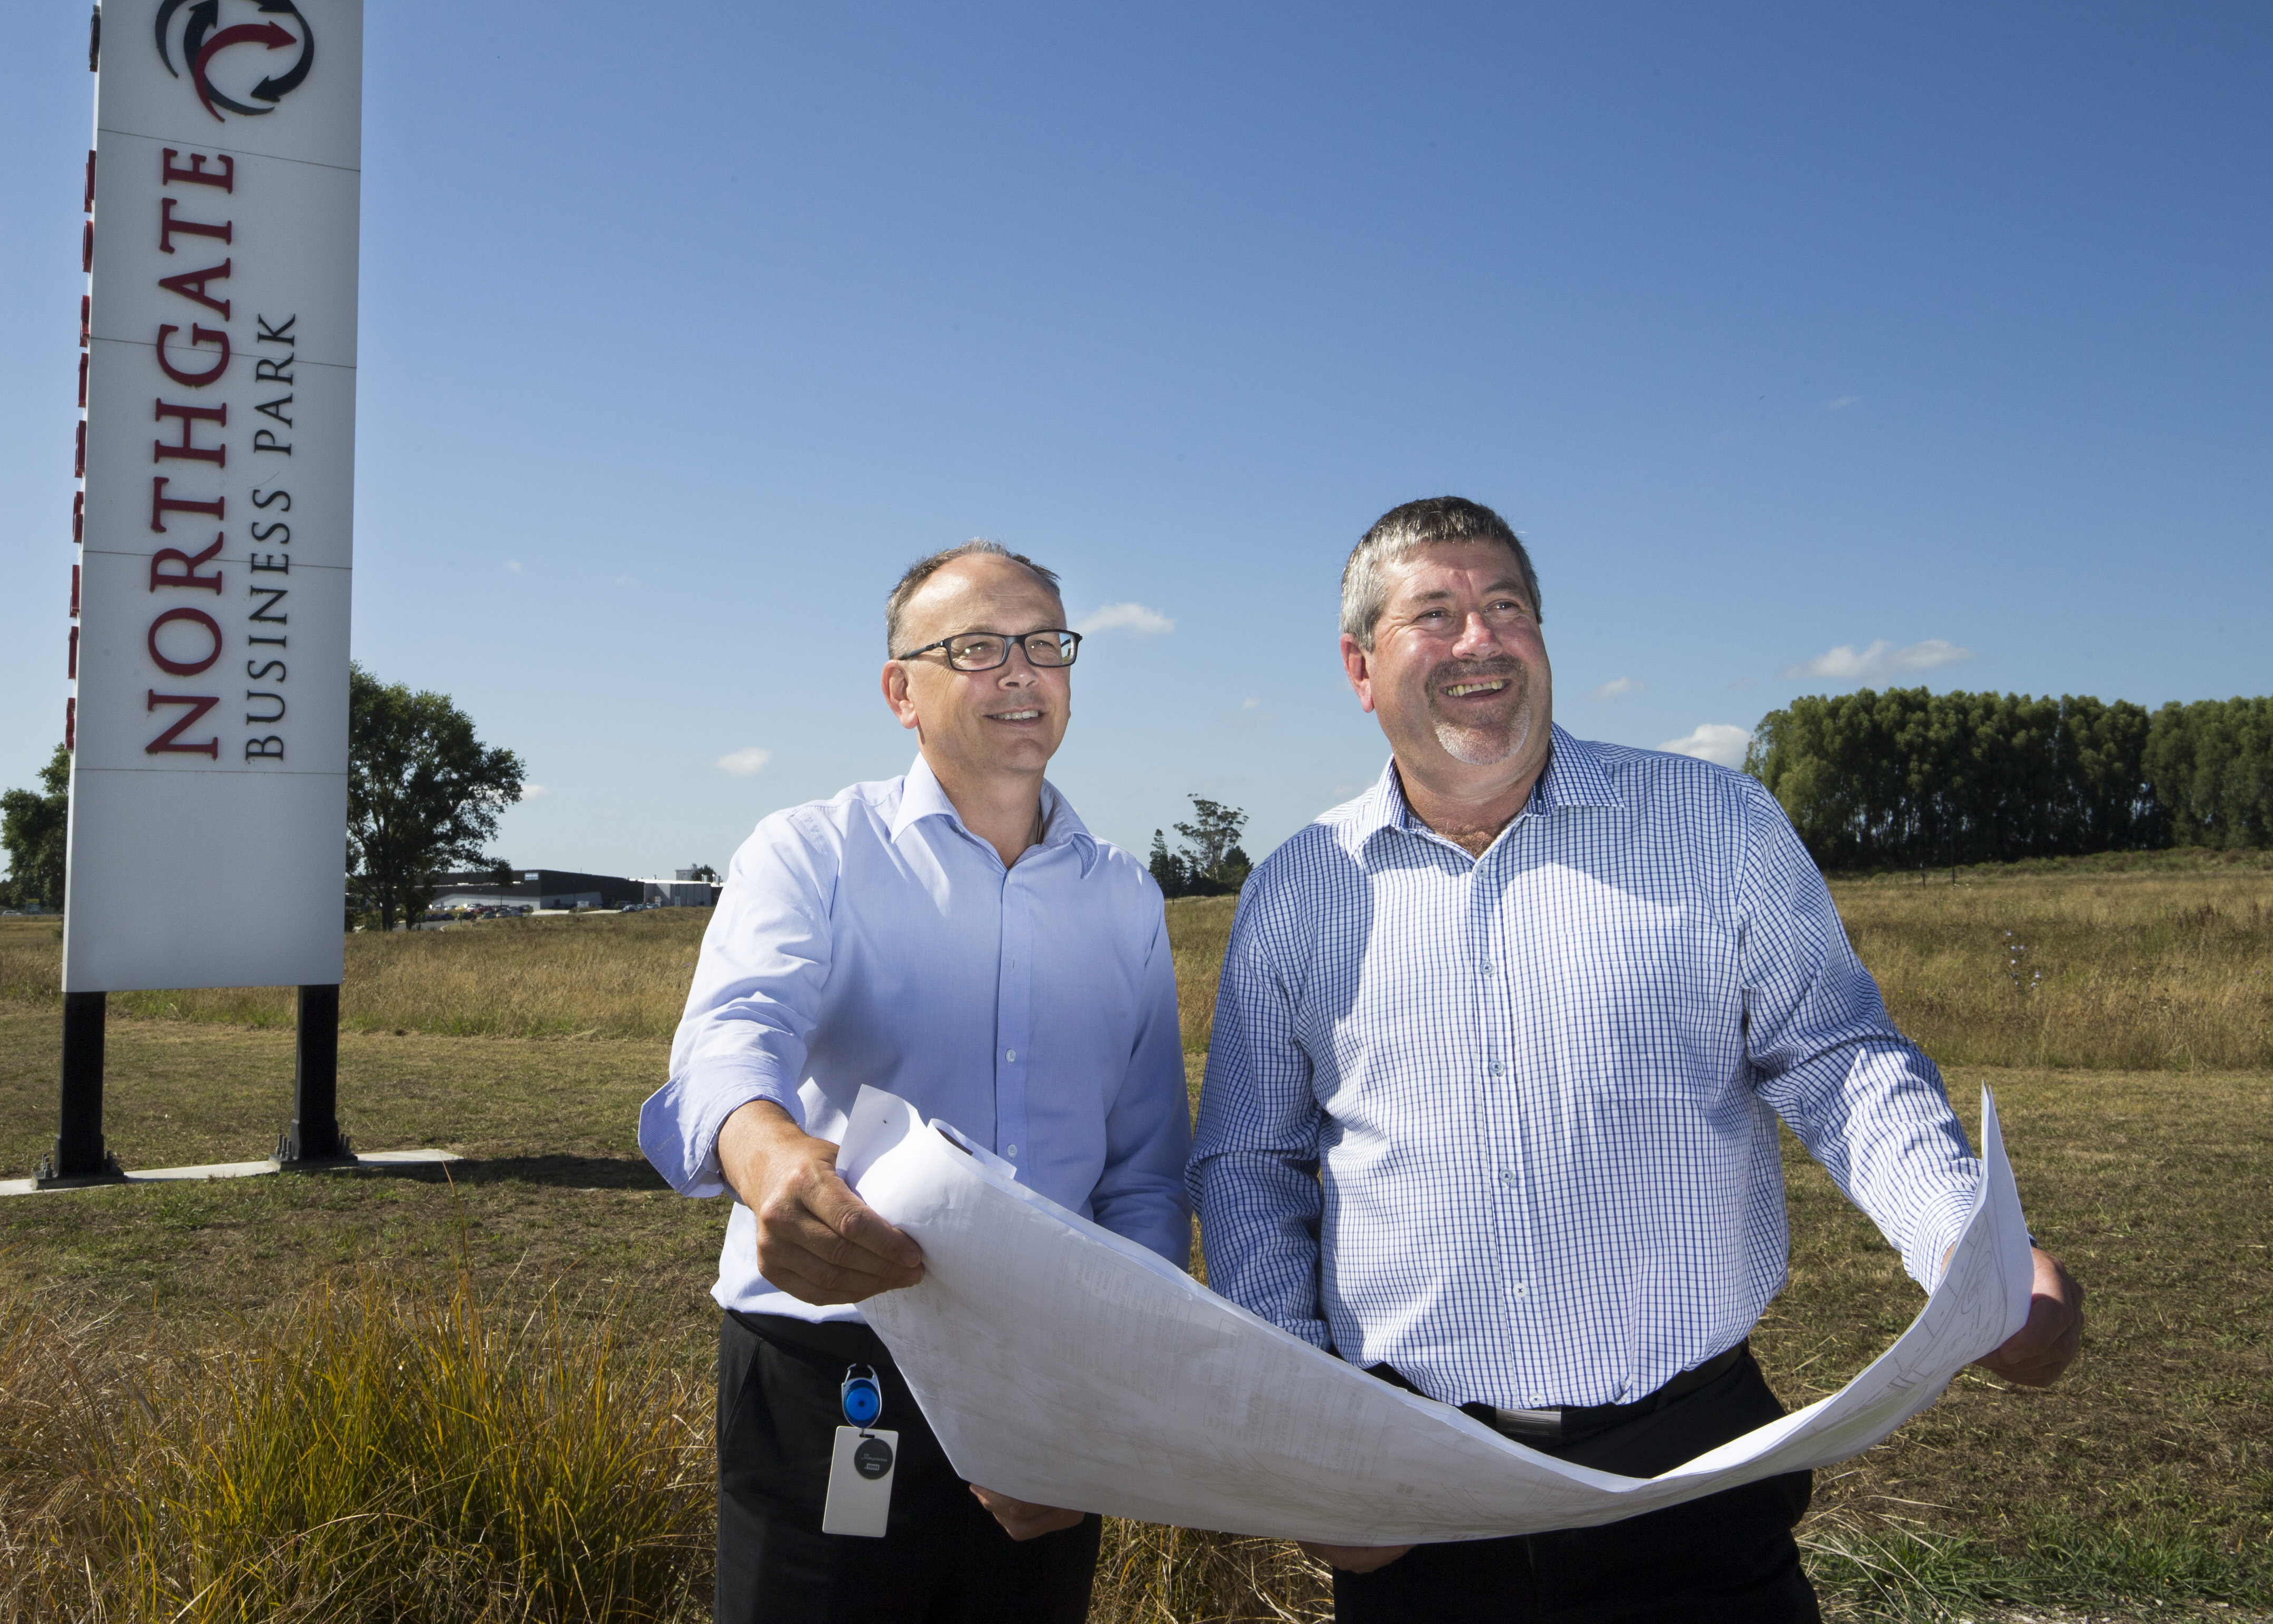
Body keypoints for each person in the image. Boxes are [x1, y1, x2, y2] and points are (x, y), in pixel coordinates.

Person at [1187, 497, 2083, 1624]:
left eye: (1508, 607)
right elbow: (1250, 1163)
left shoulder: (1717, 826)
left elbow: (1839, 1060)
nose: (1481, 640)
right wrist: (1306, 1426)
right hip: (1413, 1489)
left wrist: (1969, 1244)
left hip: (1693, 1476)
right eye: (1436, 614)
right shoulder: (1296, 890)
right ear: (1360, 668)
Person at [640, 539, 1190, 1624]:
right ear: (902, 692)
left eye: (1045, 644)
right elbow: (730, 1042)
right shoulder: (811, 853)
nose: (1022, 672)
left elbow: (1145, 1175)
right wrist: (771, 1160)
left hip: (1051, 1379)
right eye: (978, 647)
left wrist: (1106, 1386)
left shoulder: (1126, 898)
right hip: (831, 1363)